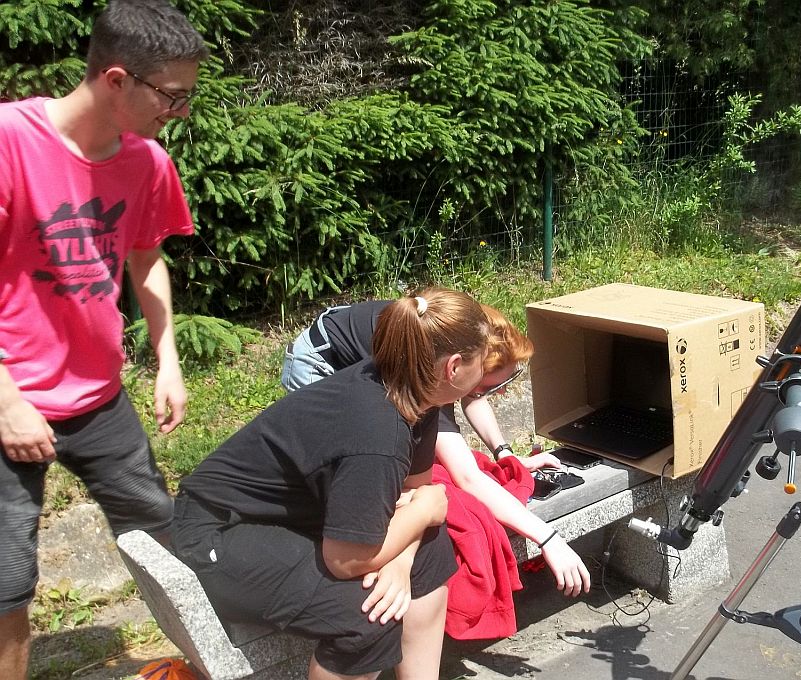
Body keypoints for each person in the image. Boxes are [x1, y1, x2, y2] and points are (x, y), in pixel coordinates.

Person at [0, 2, 207, 677]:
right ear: (117, 79)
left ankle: (208, 662)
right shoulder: (8, 141)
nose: (179, 112)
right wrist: (7, 402)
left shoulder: (147, 162)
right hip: (8, 397)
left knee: (162, 534)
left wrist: (167, 359)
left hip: (99, 398)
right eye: (171, 96)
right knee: (6, 583)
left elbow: (146, 259)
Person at [172, 289, 488, 680]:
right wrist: (424, 512)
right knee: (367, 618)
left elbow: (414, 495)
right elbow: (346, 559)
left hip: (286, 517)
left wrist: (401, 559)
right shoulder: (378, 433)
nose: (484, 366)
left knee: (430, 550)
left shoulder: (414, 392)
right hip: (219, 531)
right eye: (482, 357)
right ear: (453, 368)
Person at [281, 301, 592, 623]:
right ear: (456, 369)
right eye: (492, 386)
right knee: (357, 480)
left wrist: (504, 453)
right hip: (321, 359)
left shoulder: (459, 345)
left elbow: (473, 396)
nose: (498, 394)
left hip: (366, 345)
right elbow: (467, 477)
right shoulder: (430, 374)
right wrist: (548, 538)